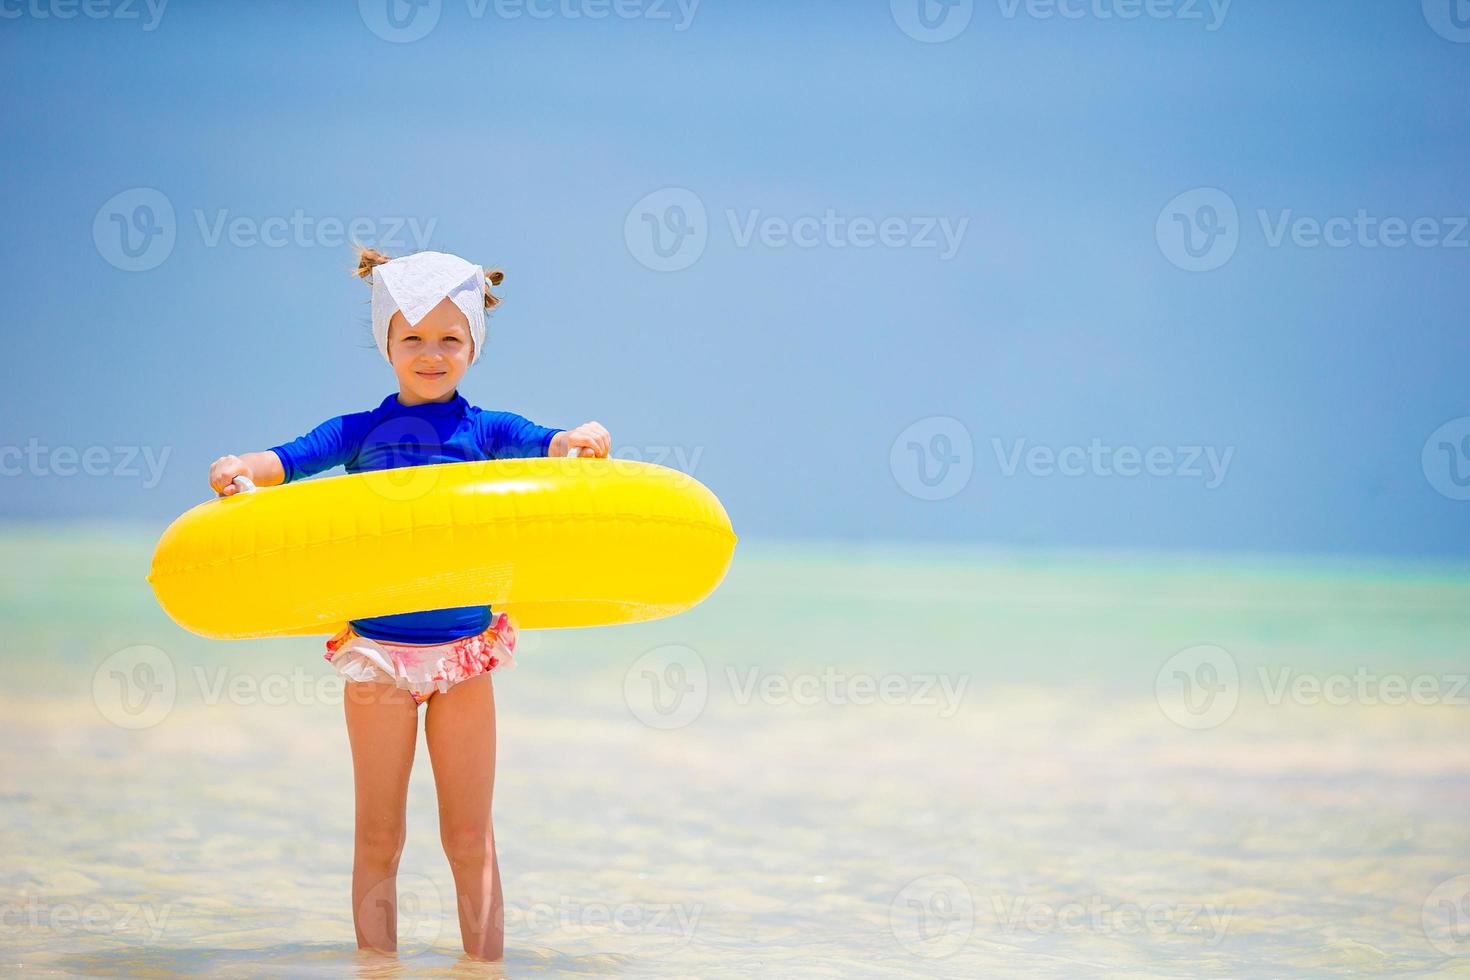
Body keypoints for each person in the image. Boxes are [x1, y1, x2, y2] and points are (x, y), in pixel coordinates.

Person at [206, 247, 611, 960]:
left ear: (474, 347)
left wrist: (581, 439)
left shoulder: (486, 431)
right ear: (387, 342)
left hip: (463, 652)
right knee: (378, 833)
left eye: (450, 338)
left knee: (468, 835)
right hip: (380, 656)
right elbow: (290, 459)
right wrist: (241, 469)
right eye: (413, 338)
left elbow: (551, 445)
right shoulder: (360, 432)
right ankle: (376, 969)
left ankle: (484, 970)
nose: (431, 354)